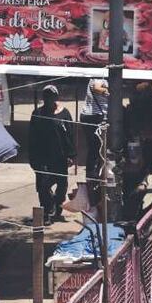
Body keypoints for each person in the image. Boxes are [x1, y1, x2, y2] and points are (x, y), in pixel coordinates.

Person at [29, 84, 76, 225]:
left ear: (56, 97)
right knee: (43, 186)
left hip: (60, 157)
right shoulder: (37, 114)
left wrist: (71, 155)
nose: (50, 99)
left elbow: (70, 135)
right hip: (42, 157)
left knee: (62, 185)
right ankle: (47, 213)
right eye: (47, 97)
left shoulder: (64, 113)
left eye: (52, 96)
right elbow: (32, 137)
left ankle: (57, 208)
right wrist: (33, 159)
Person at [80, 78, 108, 180]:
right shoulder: (99, 75)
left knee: (97, 147)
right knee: (95, 147)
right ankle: (92, 174)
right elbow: (96, 88)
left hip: (96, 115)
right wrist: (111, 90)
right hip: (94, 116)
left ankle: (96, 172)